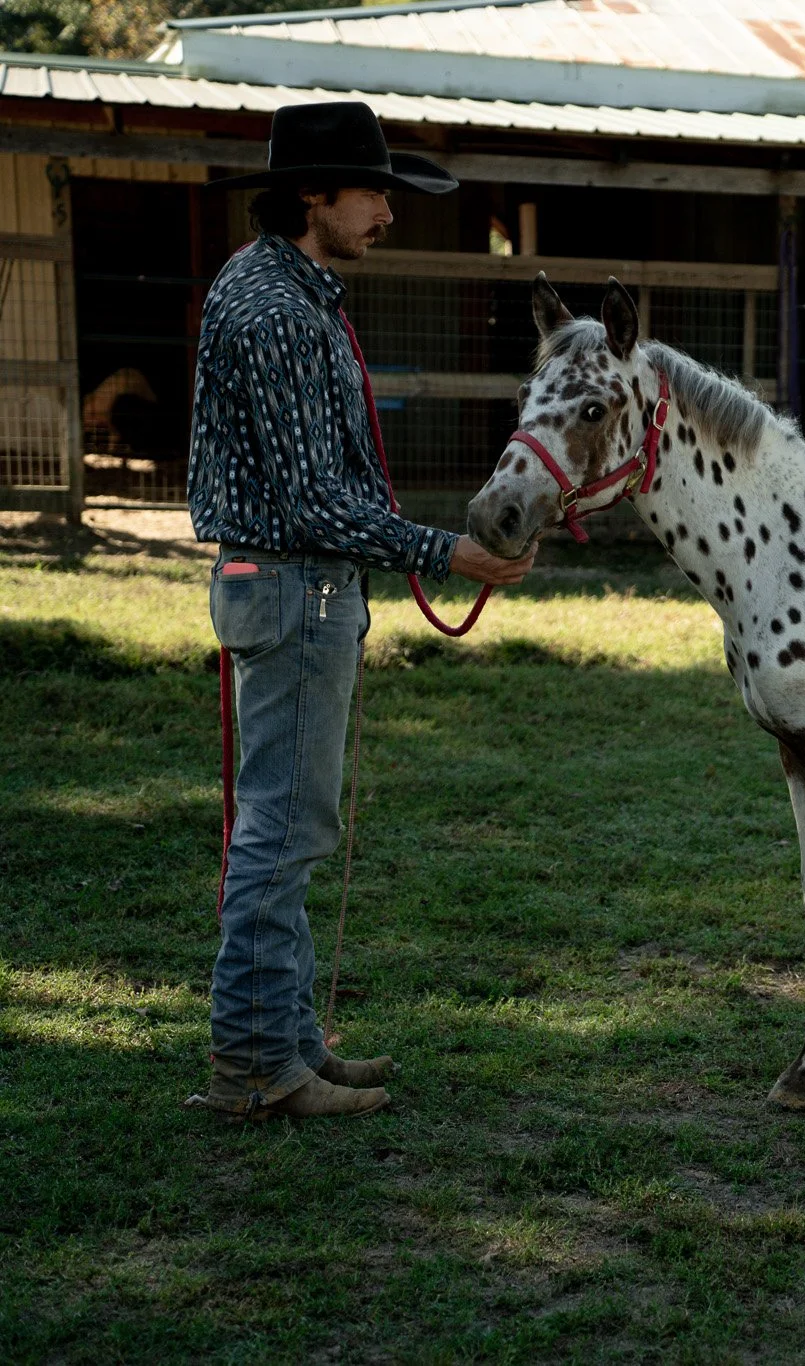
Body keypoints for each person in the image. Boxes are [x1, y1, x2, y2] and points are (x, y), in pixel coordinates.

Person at [186, 102, 535, 1121]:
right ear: (313, 194)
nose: (388, 213)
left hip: (297, 585)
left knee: (288, 823)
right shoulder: (277, 311)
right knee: (282, 830)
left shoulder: (285, 290)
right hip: (295, 582)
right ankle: (258, 1064)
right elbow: (310, 502)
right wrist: (451, 552)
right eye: (373, 193)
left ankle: (288, 1042)